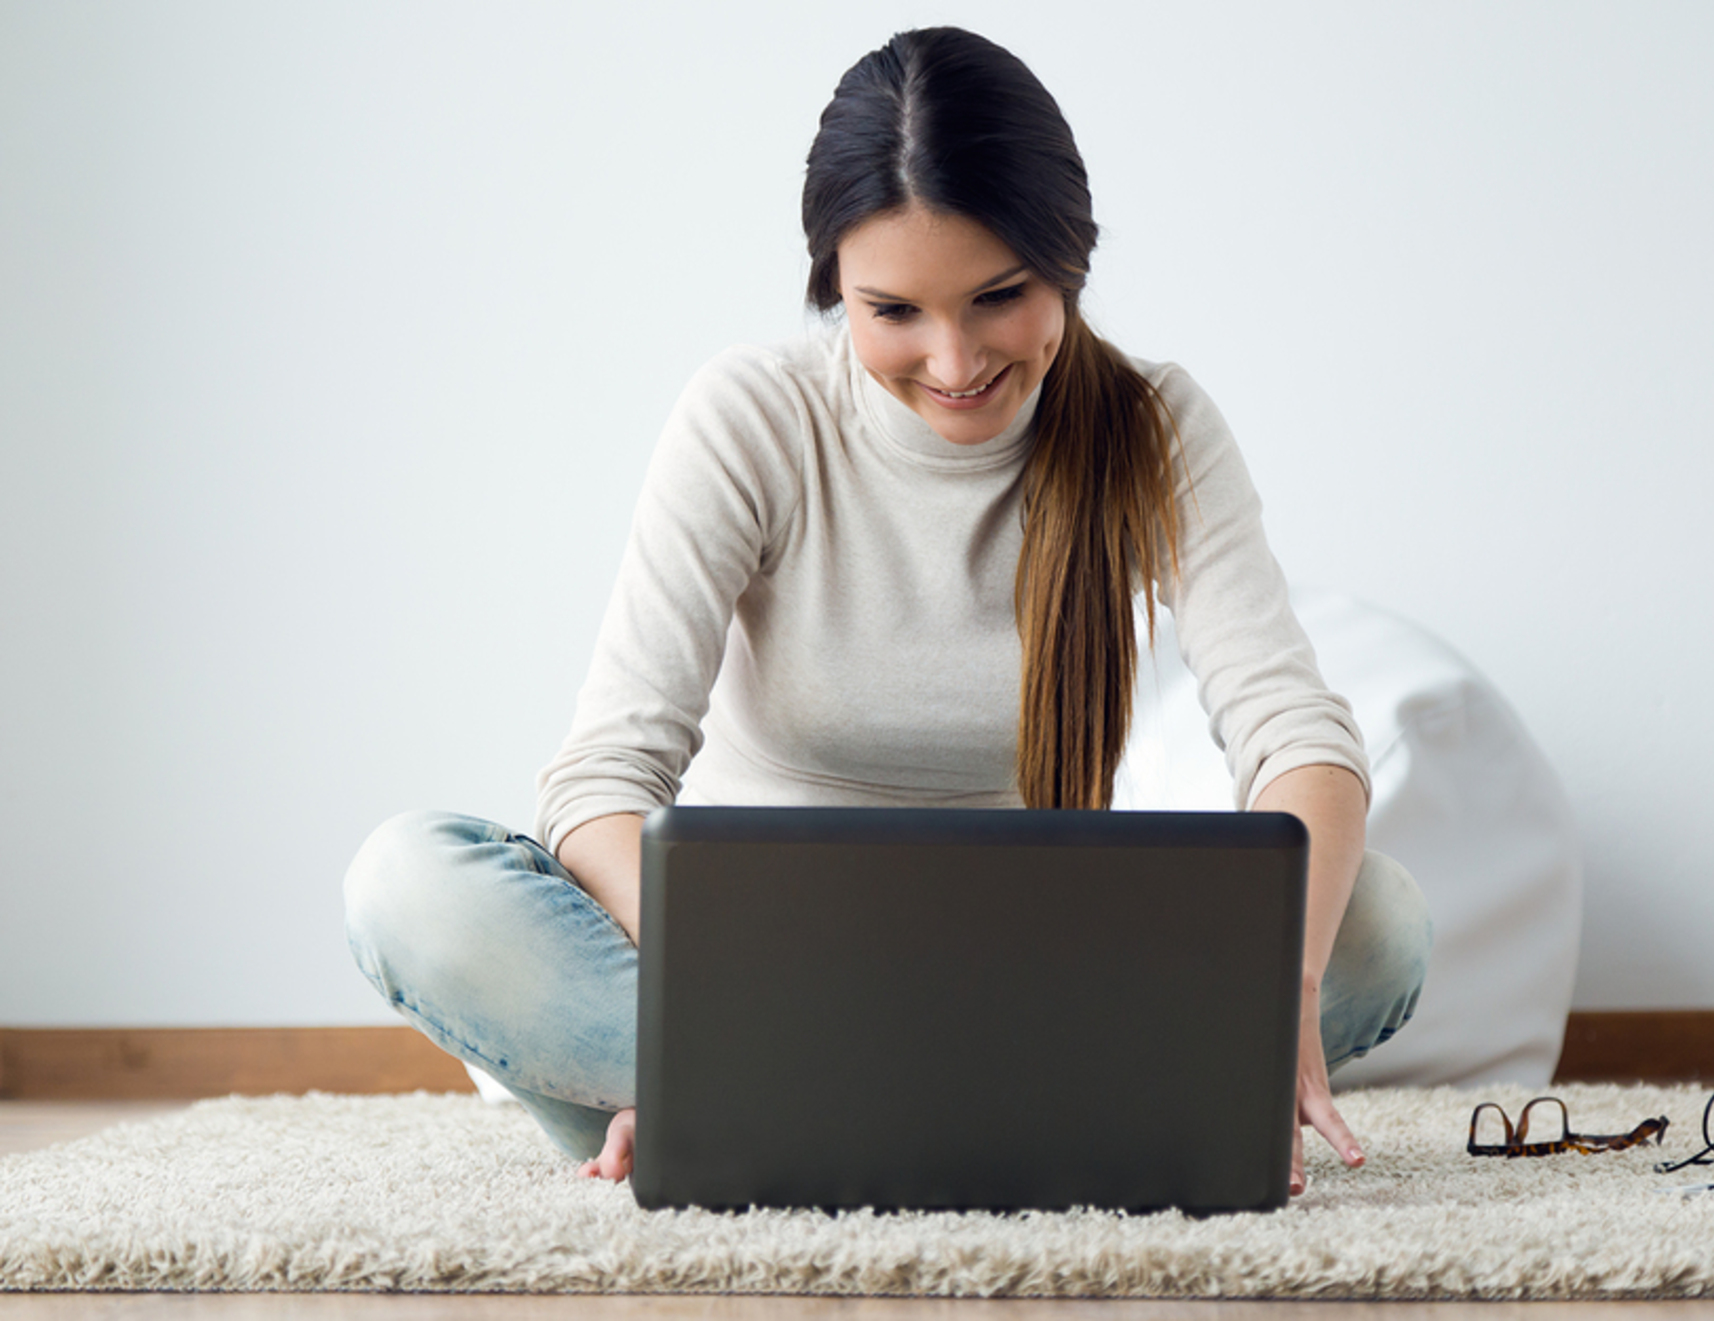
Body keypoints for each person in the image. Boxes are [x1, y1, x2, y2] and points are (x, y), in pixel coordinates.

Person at [344, 26, 1431, 1197]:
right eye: (893, 310)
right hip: (757, 977)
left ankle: (753, 1115)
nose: (952, 357)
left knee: (1374, 923)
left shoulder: (1149, 428)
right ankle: (920, 1103)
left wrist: (1292, 986)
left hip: (1027, 975)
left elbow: (1297, 737)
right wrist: (720, 1010)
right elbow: (602, 781)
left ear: (1068, 260)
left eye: (998, 297)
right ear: (834, 291)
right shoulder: (753, 419)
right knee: (409, 882)